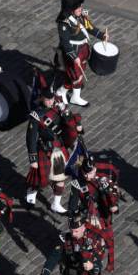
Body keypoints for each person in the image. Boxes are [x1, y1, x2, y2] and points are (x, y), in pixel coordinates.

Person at [25, 83, 83, 212]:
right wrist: (33, 159)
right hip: (44, 149)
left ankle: (56, 203)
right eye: (47, 99)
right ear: (41, 98)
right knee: (40, 177)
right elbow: (31, 138)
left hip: (58, 149)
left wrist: (70, 117)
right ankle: (31, 193)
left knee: (60, 177)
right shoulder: (36, 115)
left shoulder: (59, 107)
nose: (50, 101)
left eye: (51, 98)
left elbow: (71, 121)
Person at [56, 0, 108, 107]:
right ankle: (64, 93)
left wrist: (101, 35)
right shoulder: (64, 22)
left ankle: (71, 95)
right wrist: (74, 57)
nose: (81, 8)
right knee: (76, 76)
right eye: (78, 7)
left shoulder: (80, 15)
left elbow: (89, 27)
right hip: (73, 51)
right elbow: (65, 43)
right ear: (71, 8)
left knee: (77, 74)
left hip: (83, 49)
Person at [67, 157, 120, 271]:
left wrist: (113, 204)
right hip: (87, 215)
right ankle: (87, 260)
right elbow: (73, 203)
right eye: (84, 172)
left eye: (89, 172)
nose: (87, 176)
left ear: (95, 169)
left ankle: (110, 263)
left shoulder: (103, 178)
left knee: (108, 238)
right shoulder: (78, 183)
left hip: (103, 214)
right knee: (88, 241)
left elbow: (114, 193)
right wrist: (74, 218)